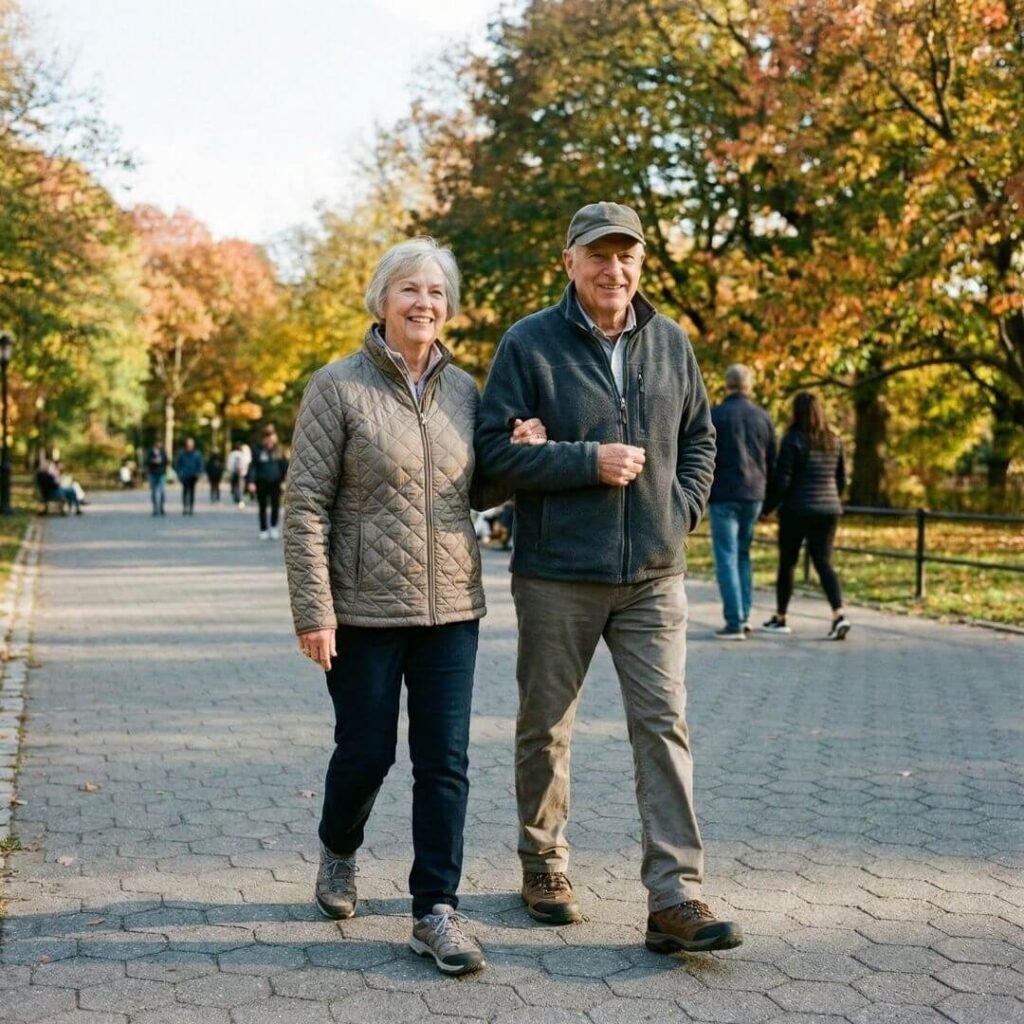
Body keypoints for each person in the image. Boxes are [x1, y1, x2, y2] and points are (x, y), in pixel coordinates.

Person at [475, 201, 742, 955]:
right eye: (597, 254)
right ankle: (544, 863)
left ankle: (676, 896)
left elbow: (700, 436)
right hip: (558, 572)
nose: (611, 268)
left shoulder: (671, 342)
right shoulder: (529, 344)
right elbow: (493, 457)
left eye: (625, 255)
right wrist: (581, 459)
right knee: (545, 728)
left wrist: (678, 510)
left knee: (663, 727)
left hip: (654, 574)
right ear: (569, 262)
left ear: (641, 264)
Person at [284, 237, 545, 977]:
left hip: (451, 607)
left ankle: (435, 907)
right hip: (361, 610)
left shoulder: (468, 391)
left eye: (434, 291)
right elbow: (304, 505)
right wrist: (315, 610)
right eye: (408, 289)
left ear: (448, 306)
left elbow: (474, 492)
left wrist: (518, 455)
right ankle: (339, 852)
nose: (422, 302)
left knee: (446, 762)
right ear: (381, 300)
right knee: (366, 752)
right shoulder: (336, 387)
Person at [761, 392, 851, 640]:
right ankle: (839, 614)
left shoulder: (793, 440)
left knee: (787, 563)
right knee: (823, 562)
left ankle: (780, 617)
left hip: (797, 510)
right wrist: (834, 499)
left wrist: (767, 508)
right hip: (829, 510)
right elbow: (841, 478)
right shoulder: (835, 440)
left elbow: (783, 481)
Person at [708, 364, 777, 640]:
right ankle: (745, 615)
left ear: (727, 385)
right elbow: (772, 460)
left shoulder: (715, 415)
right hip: (754, 493)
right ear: (749, 386)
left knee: (726, 556)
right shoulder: (763, 417)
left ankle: (734, 621)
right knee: (743, 554)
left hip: (724, 493)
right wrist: (769, 502)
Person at [247, 426, 288, 539]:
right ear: (263, 438)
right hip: (261, 481)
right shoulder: (257, 450)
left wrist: (285, 480)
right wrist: (251, 482)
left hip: (276, 482)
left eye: (272, 436)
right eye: (267, 436)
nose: (270, 439)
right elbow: (253, 466)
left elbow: (284, 466)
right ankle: (263, 529)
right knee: (262, 506)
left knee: (275, 505)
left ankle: (274, 527)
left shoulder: (279, 450)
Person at [174, 438, 204, 515]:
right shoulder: (182, 453)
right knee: (185, 491)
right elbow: (177, 465)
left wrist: (199, 472)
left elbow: (200, 464)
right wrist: (179, 473)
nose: (189, 447)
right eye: (188, 445)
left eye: (191, 445)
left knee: (192, 492)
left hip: (193, 475)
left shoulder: (197, 454)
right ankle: (185, 507)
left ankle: (191, 508)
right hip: (184, 475)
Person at [145, 441, 169, 516]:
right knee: (154, 491)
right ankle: (155, 508)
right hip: (152, 473)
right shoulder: (150, 452)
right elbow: (146, 461)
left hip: (161, 473)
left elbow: (167, 461)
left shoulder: (163, 452)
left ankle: (161, 507)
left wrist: (161, 462)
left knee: (162, 491)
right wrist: (152, 461)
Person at [228, 442, 251, 508]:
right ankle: (239, 497)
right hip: (241, 473)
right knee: (239, 486)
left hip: (237, 472)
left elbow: (230, 464)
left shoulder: (233, 454)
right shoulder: (242, 455)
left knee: (237, 485)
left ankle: (238, 497)